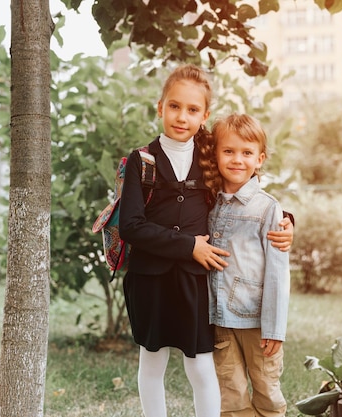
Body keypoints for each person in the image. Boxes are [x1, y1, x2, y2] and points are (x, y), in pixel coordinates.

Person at [118, 65, 293, 417]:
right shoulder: (142, 160)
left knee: (200, 366)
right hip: (149, 280)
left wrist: (286, 219)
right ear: (160, 107)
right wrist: (189, 246)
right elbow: (131, 226)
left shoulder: (208, 154)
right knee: (152, 362)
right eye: (174, 106)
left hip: (195, 282)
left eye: (193, 110)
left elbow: (240, 190)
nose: (182, 117)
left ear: (205, 115)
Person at [207, 113, 291, 417]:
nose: (237, 160)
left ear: (260, 159)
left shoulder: (268, 207)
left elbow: (278, 273)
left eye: (246, 153)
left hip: (258, 322)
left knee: (267, 391)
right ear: (215, 153)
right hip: (220, 319)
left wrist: (275, 328)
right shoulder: (208, 202)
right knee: (231, 396)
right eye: (228, 151)